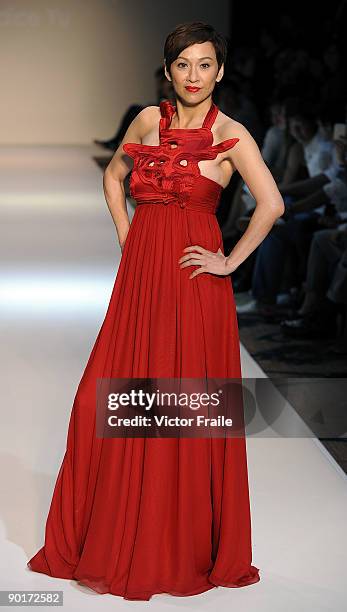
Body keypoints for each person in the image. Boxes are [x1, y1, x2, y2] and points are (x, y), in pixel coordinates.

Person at [27, 21, 284, 600]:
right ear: (169, 71)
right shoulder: (150, 120)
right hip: (140, 283)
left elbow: (272, 203)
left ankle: (176, 545)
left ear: (220, 71)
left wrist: (228, 262)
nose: (194, 76)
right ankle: (121, 529)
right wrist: (126, 234)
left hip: (195, 287)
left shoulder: (232, 134)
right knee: (103, 399)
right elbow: (115, 177)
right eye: (184, 65)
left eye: (205, 64)